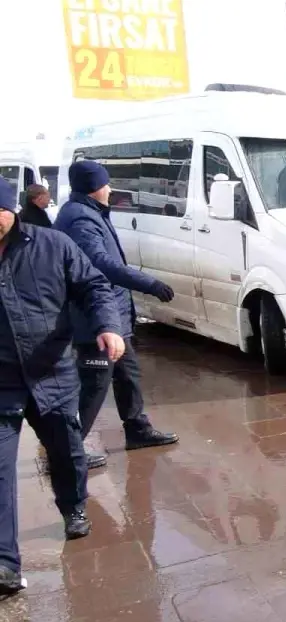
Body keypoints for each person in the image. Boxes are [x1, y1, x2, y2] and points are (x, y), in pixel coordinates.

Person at [0, 179, 126, 597]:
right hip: (1, 383)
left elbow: (93, 287)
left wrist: (108, 326)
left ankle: (73, 507)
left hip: (52, 372)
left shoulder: (53, 246)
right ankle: (4, 563)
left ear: (11, 211)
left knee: (66, 450)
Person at [54, 160, 178, 464]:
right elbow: (101, 264)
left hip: (113, 317)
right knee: (95, 383)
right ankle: (66, 450)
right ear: (93, 187)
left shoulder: (89, 212)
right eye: (105, 183)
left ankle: (137, 429)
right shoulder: (81, 219)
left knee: (128, 375)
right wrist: (148, 283)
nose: (110, 189)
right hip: (95, 318)